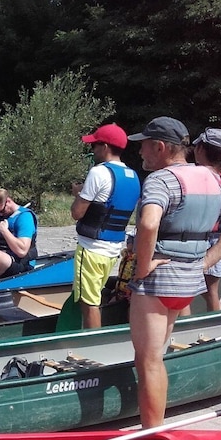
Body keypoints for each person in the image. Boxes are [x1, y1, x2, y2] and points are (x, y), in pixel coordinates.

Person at [126, 117, 221, 428]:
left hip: (158, 282)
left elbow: (148, 223)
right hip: (187, 281)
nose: (140, 151)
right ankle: (154, 427)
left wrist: (142, 268)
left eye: (144, 145)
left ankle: (151, 436)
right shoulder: (211, 179)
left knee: (148, 361)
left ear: (160, 147)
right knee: (156, 356)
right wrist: (204, 263)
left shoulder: (160, 180)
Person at [70, 123, 141, 328]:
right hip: (113, 250)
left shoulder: (98, 172)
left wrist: (78, 195)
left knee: (89, 302)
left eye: (95, 145)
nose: (93, 150)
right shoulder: (133, 175)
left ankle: (92, 345)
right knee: (96, 294)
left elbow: (77, 213)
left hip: (91, 249)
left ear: (105, 147)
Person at [192, 128, 221, 311]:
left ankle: (211, 326)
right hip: (216, 238)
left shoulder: (207, 179)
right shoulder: (220, 179)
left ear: (201, 150)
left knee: (209, 290)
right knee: (206, 290)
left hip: (213, 239)